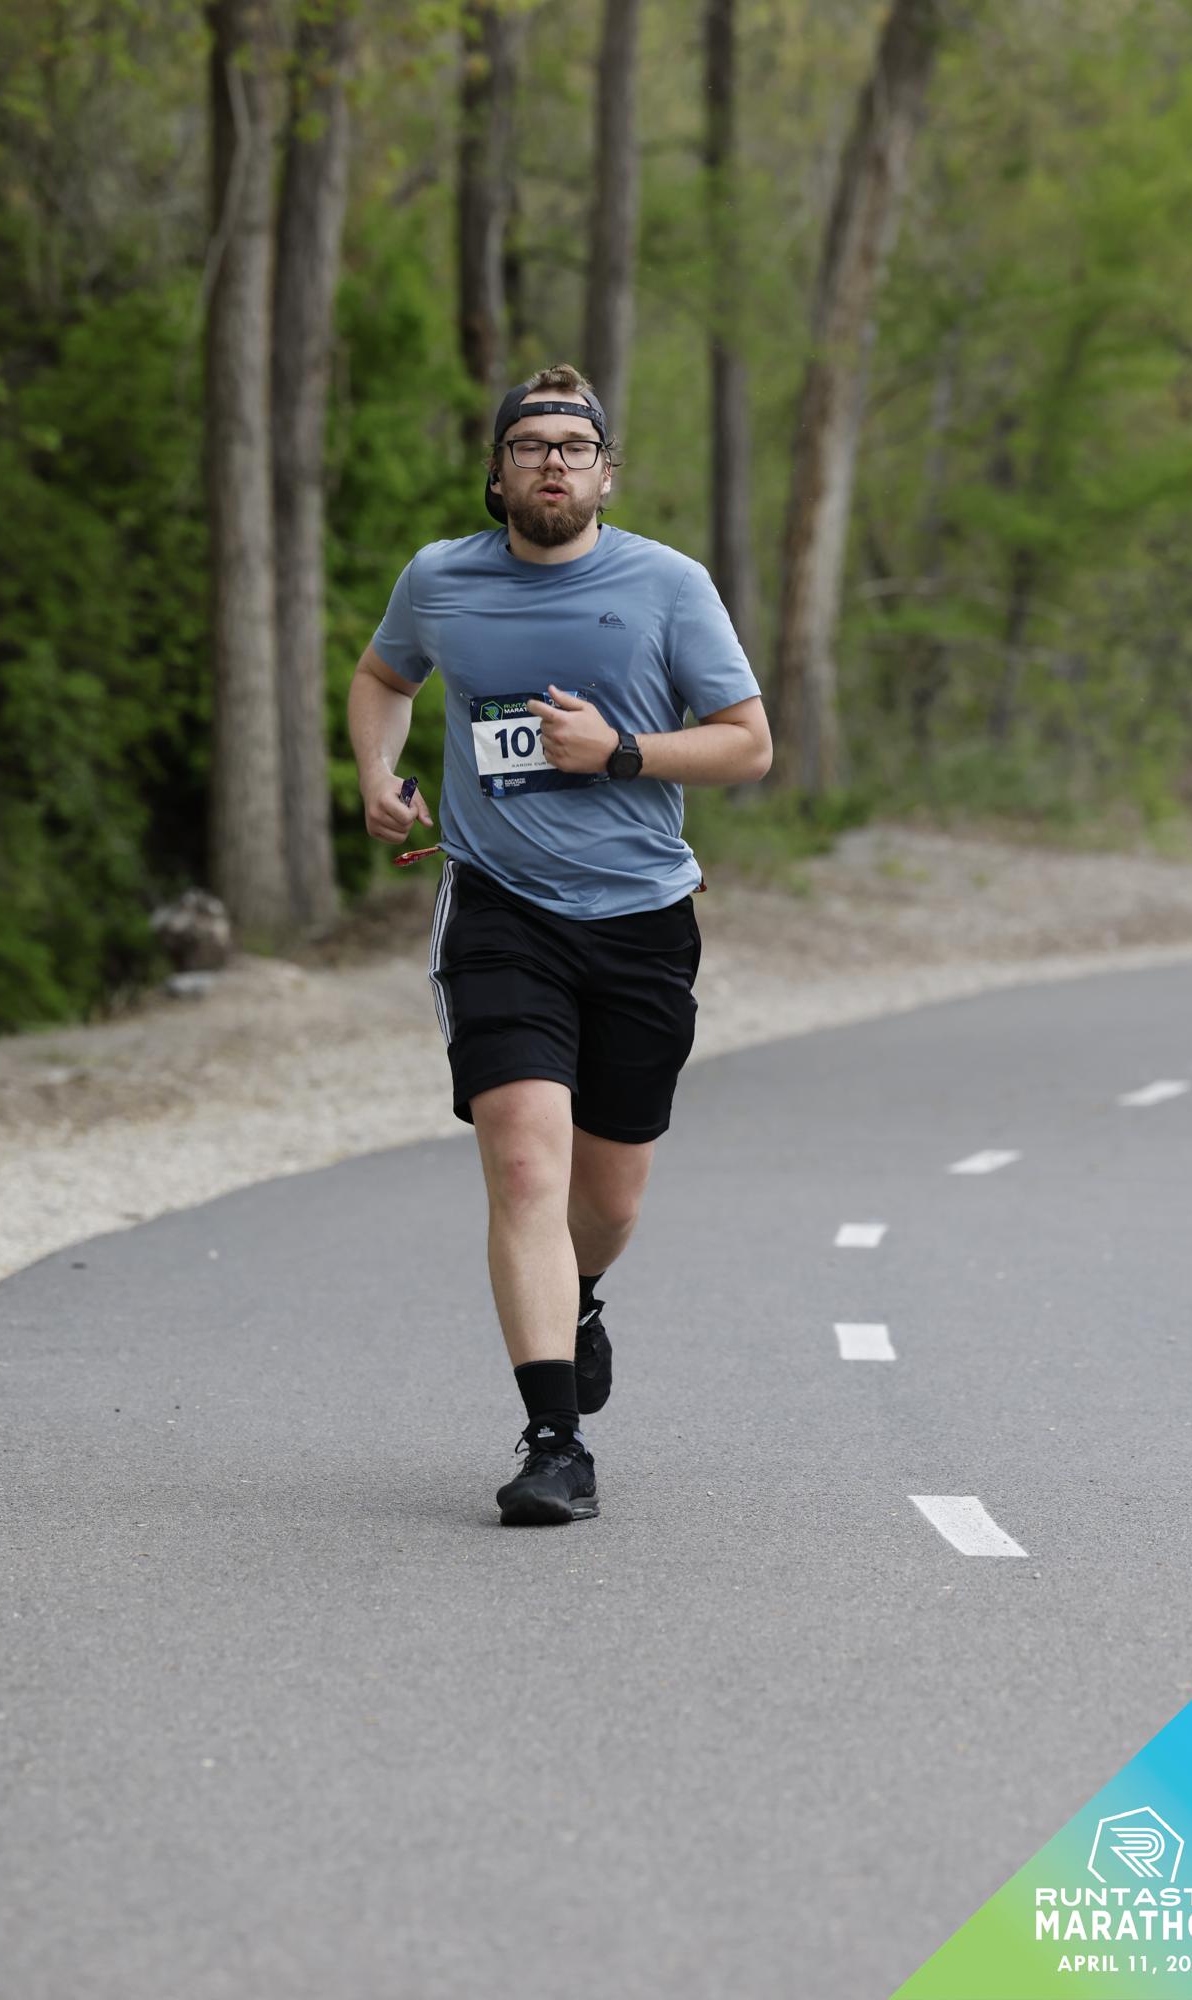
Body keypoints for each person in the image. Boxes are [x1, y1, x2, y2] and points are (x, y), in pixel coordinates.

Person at [347, 362, 771, 1526]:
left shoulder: (667, 584)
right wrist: (377, 771)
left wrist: (619, 751)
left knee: (609, 1195)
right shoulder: (440, 577)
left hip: (640, 916)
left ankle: (578, 1291)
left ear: (604, 473)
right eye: (530, 445)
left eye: (572, 448)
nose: (551, 463)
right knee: (527, 1164)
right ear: (497, 472)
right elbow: (383, 675)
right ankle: (554, 1442)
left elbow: (747, 744)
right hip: (498, 906)